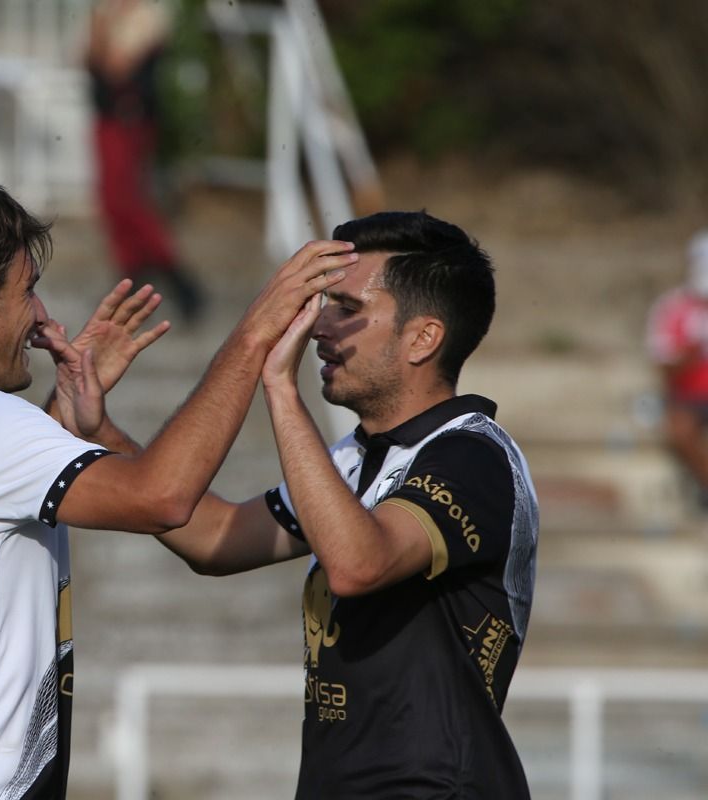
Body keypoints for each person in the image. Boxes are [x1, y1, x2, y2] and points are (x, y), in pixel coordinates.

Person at [0, 168, 353, 799]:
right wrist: (255, 332)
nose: (42, 316)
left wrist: (65, 424)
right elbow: (164, 497)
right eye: (27, 290)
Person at [69, 211, 540, 797]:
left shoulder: (473, 456)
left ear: (423, 338)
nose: (319, 328)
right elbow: (213, 537)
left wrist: (279, 386)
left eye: (346, 308)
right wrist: (102, 433)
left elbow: (357, 564)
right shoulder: (357, 457)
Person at [85, 0, 204, 321]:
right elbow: (86, 56)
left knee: (130, 202)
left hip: (130, 120)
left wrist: (103, 23)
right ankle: (132, 278)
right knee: (112, 202)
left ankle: (179, 281)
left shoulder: (148, 17)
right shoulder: (108, 14)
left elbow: (114, 65)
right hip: (107, 115)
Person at [646, 230, 708, 506]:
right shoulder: (673, 307)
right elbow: (663, 365)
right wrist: (689, 355)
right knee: (680, 431)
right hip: (688, 399)